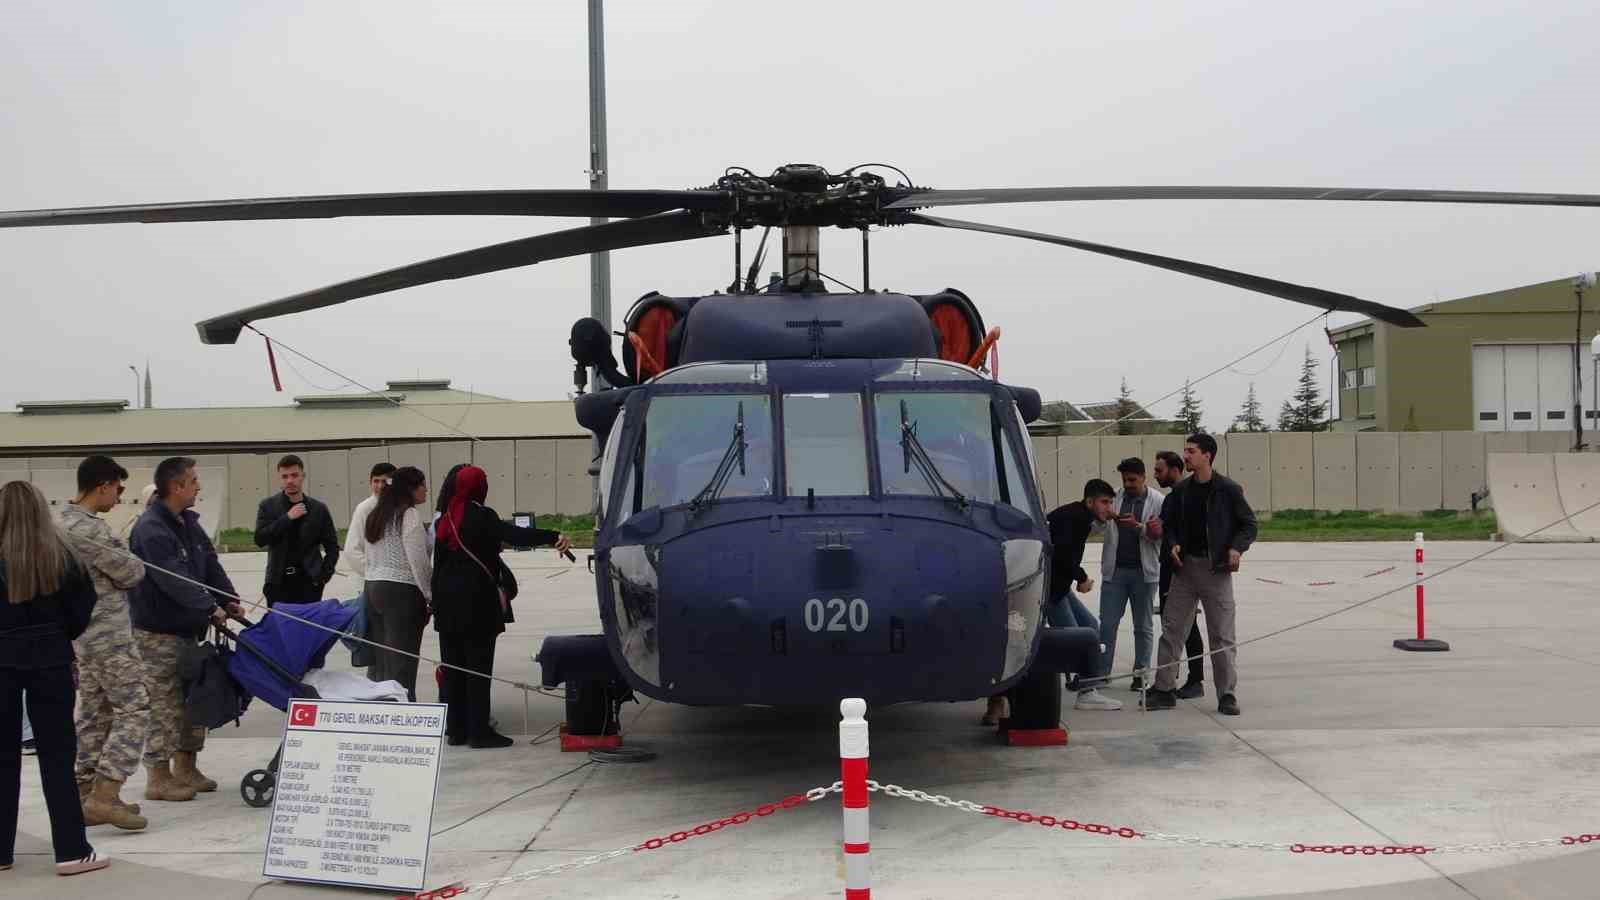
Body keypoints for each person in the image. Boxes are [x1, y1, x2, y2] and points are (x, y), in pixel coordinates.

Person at [0, 481, 110, 876]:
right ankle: (71, 850)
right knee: (58, 758)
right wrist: (60, 634)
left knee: (2, 757)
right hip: (50, 659)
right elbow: (84, 607)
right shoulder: (62, 554)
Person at [432, 466, 571, 748]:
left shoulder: (444, 519)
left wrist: (434, 603)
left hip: (447, 604)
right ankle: (479, 732)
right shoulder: (482, 516)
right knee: (478, 668)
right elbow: (515, 536)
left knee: (453, 668)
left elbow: (438, 564)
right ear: (478, 487)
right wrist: (551, 535)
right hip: (477, 603)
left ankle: (456, 729)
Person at [129, 458, 242, 801]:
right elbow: (173, 579)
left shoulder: (189, 524)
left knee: (196, 699)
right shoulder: (151, 530)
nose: (198, 486)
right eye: (193, 481)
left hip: (190, 630)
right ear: (176, 487)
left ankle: (186, 766)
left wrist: (228, 599)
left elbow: (209, 564)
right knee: (164, 705)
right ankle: (158, 776)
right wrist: (209, 607)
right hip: (158, 634)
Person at [56, 456, 150, 831]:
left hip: (83, 637)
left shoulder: (59, 522)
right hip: (108, 636)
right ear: (103, 485)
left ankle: (84, 794)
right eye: (119, 488)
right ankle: (106, 793)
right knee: (134, 708)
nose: (119, 496)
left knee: (94, 714)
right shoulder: (88, 529)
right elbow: (132, 571)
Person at [1146, 434, 1257, 716]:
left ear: (1208, 455)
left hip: (1215, 571)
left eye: (1191, 451)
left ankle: (1227, 695)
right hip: (1184, 571)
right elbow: (1169, 525)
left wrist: (1236, 548)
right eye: (1185, 451)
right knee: (1172, 631)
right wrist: (1173, 544)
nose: (1186, 456)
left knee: (1222, 635)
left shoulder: (1228, 489)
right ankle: (1164, 690)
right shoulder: (1181, 491)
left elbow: (1249, 525)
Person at [361, 467, 431, 701]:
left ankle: (385, 711)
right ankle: (404, 711)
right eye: (422, 485)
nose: (426, 489)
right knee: (403, 661)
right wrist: (429, 594)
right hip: (400, 591)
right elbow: (418, 561)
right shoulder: (408, 515)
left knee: (383, 661)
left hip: (373, 587)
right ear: (410, 488)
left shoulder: (376, 514)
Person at [1094, 458, 1165, 693]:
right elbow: (1097, 527)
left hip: (1144, 573)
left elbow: (1162, 538)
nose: (1127, 484)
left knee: (1142, 626)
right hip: (1115, 572)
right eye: (1124, 480)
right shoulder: (1114, 498)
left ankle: (1141, 674)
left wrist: (1139, 527)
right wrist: (1104, 517)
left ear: (1144, 477)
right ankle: (1101, 673)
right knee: (1107, 624)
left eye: (1132, 480)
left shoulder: (1158, 501)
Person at [1154, 450, 1206, 699]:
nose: (1156, 475)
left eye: (1159, 470)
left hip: (1182, 569)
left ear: (1175, 470)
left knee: (1187, 625)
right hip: (1169, 567)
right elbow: (1166, 530)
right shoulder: (1172, 498)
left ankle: (1195, 680)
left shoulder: (1186, 496)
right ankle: (1168, 678)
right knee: (1172, 625)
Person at [254, 455, 339, 607]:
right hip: (277, 583)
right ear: (279, 478)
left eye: (294, 475)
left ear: (303, 476)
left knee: (307, 622)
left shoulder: (318, 509)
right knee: (279, 622)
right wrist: (287, 518)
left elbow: (332, 546)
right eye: (285, 476)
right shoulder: (268, 506)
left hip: (310, 584)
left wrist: (323, 576)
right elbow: (260, 539)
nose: (290, 481)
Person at [343, 462, 397, 584]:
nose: (380, 486)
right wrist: (375, 574)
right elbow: (352, 550)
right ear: (370, 482)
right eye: (376, 481)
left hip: (397, 580)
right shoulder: (364, 509)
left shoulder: (401, 508)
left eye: (384, 481)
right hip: (373, 580)